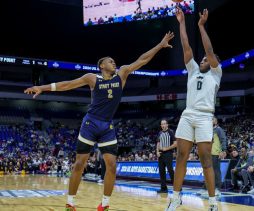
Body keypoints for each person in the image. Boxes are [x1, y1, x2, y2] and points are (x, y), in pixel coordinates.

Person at [24, 32, 174, 211]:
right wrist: (41, 87)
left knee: (111, 165)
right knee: (80, 164)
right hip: (90, 123)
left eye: (114, 61)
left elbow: (142, 60)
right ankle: (70, 203)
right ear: (102, 65)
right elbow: (67, 84)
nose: (114, 63)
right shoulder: (92, 78)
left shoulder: (122, 74)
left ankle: (105, 204)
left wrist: (159, 45)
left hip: (107, 126)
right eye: (110, 61)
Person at [166, 8, 222, 211]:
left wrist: (200, 25)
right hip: (188, 114)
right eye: (203, 59)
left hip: (205, 116)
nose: (203, 60)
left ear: (215, 62)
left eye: (207, 59)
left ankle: (213, 202)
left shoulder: (216, 73)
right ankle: (175, 198)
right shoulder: (193, 70)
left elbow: (208, 50)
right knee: (181, 156)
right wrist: (181, 22)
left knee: (206, 158)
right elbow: (185, 46)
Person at [157, 119, 177, 193]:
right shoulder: (159, 133)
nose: (163, 125)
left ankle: (176, 187)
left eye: (164, 124)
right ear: (161, 125)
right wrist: (157, 152)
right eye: (162, 124)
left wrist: (167, 148)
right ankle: (163, 188)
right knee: (161, 171)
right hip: (161, 155)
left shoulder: (171, 132)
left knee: (170, 170)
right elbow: (158, 143)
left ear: (167, 124)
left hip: (168, 153)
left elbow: (175, 144)